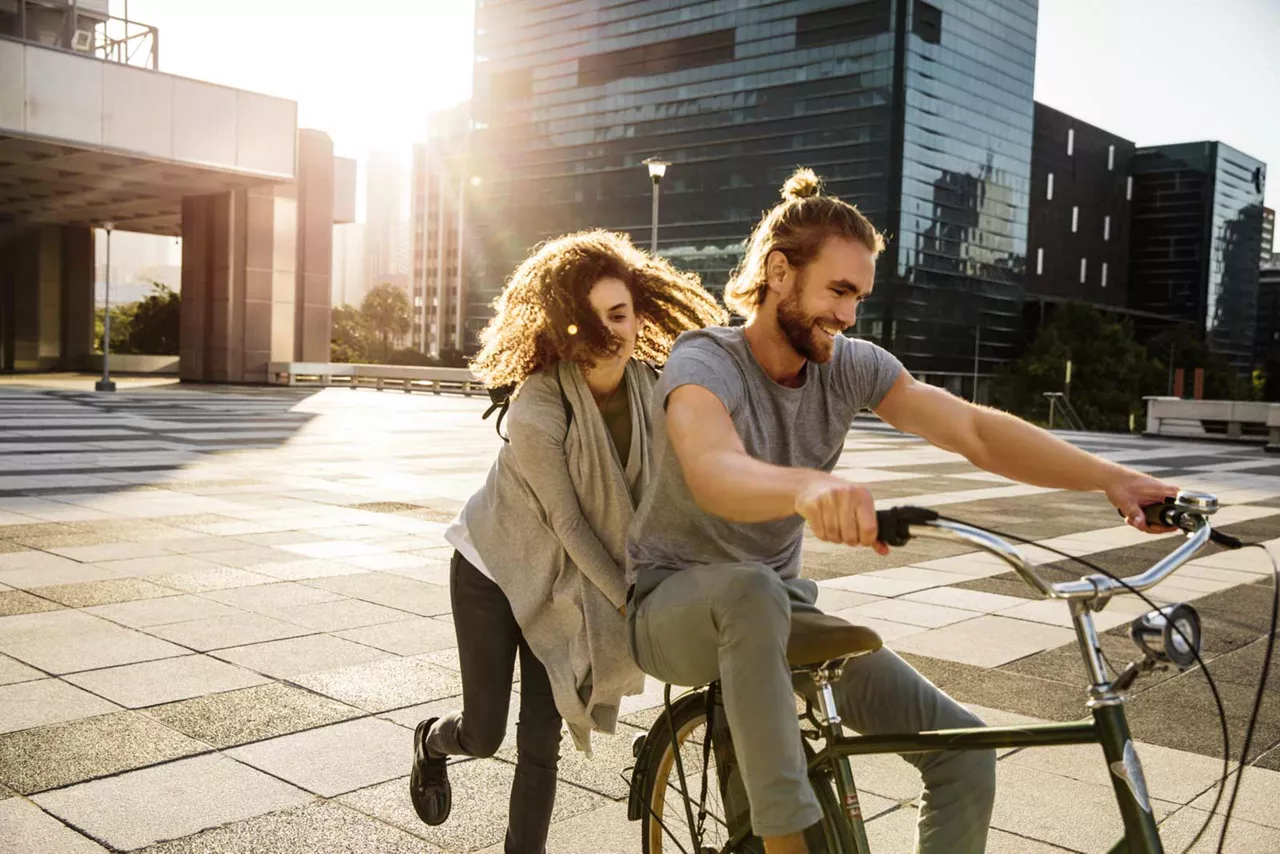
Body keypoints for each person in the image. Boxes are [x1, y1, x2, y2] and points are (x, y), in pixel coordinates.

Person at [625, 168, 1177, 854]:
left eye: (859, 296)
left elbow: (973, 431)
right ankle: (785, 842)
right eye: (838, 290)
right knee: (749, 588)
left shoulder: (850, 364)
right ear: (778, 272)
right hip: (671, 603)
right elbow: (713, 469)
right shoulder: (705, 359)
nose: (850, 314)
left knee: (965, 751)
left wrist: (1112, 479)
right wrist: (805, 488)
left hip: (783, 611)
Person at [409, 229, 727, 854]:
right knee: (485, 733)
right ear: (563, 325)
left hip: (565, 579)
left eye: (619, 314)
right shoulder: (537, 404)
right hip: (493, 570)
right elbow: (568, 522)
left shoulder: (654, 392)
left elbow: (677, 491)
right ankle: (430, 741)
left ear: (641, 315)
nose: (609, 333)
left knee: (540, 740)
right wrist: (628, 599)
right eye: (589, 320)